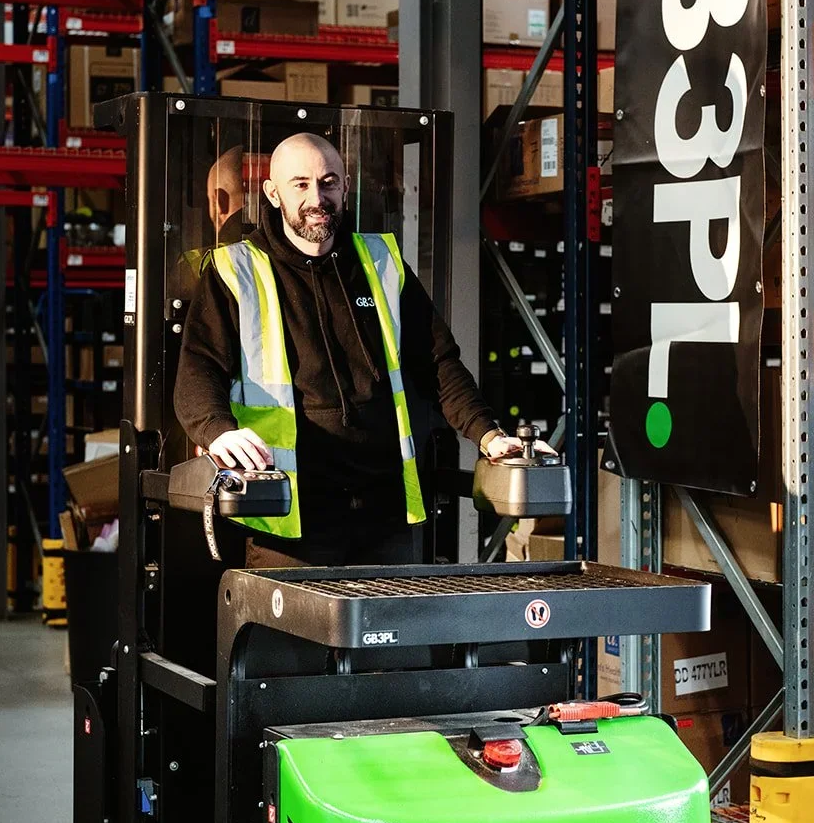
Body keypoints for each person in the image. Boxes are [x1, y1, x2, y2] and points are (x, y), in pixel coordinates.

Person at [174, 131, 548, 567]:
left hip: (386, 512)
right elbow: (198, 370)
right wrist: (219, 431)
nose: (317, 196)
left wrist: (489, 434)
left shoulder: (382, 261)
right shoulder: (234, 269)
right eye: (300, 184)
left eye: (328, 181)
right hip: (291, 515)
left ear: (346, 187)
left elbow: (437, 362)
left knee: (396, 635)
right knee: (297, 637)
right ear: (272, 194)